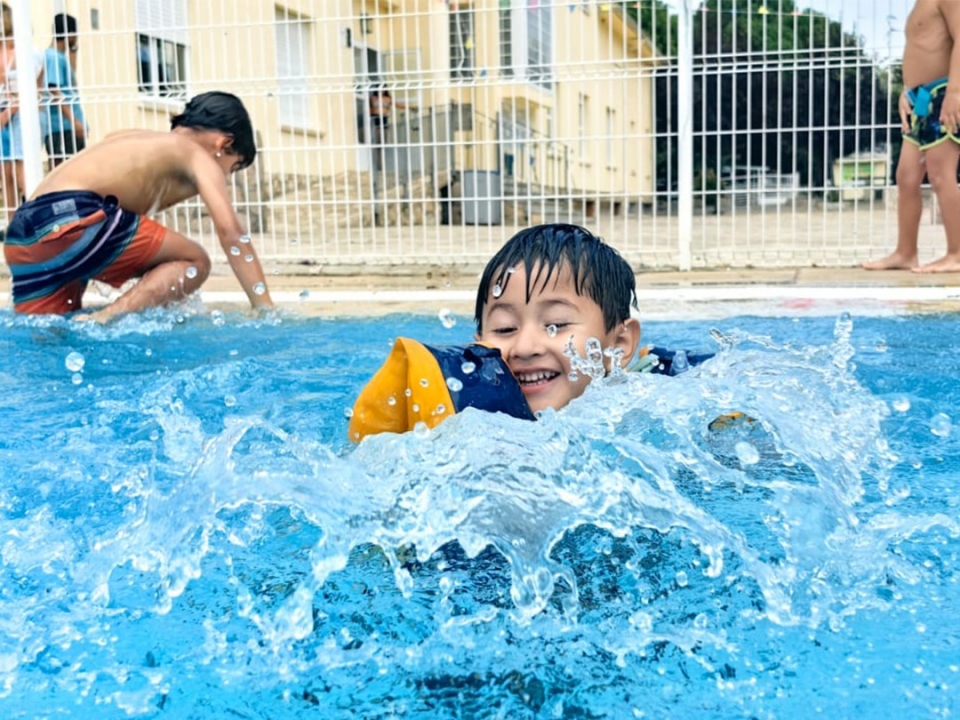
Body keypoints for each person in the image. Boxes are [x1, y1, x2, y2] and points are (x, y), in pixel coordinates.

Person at [3, 91, 274, 321]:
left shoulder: (133, 138)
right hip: (76, 219)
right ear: (224, 143)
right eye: (232, 167)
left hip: (23, 236)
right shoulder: (198, 155)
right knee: (195, 261)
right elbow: (231, 233)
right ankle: (106, 319)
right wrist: (264, 308)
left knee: (49, 330)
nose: (224, 176)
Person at [863, 0, 960, 273]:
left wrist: (955, 92)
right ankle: (905, 253)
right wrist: (906, 90)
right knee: (906, 177)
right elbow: (922, 49)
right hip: (920, 99)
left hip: (942, 94)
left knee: (941, 175)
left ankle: (957, 253)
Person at [0, 2, 46, 214]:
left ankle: (37, 218)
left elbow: (29, 91)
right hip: (8, 116)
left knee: (23, 173)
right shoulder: (7, 51)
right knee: (6, 173)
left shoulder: (28, 52)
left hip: (20, 116)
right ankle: (14, 224)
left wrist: (7, 113)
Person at [43, 12, 86, 169]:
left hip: (65, 127)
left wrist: (73, 49)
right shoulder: (54, 58)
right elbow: (54, 90)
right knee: (67, 170)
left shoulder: (58, 57)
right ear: (70, 34)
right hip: (63, 127)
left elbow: (71, 78)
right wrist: (74, 122)